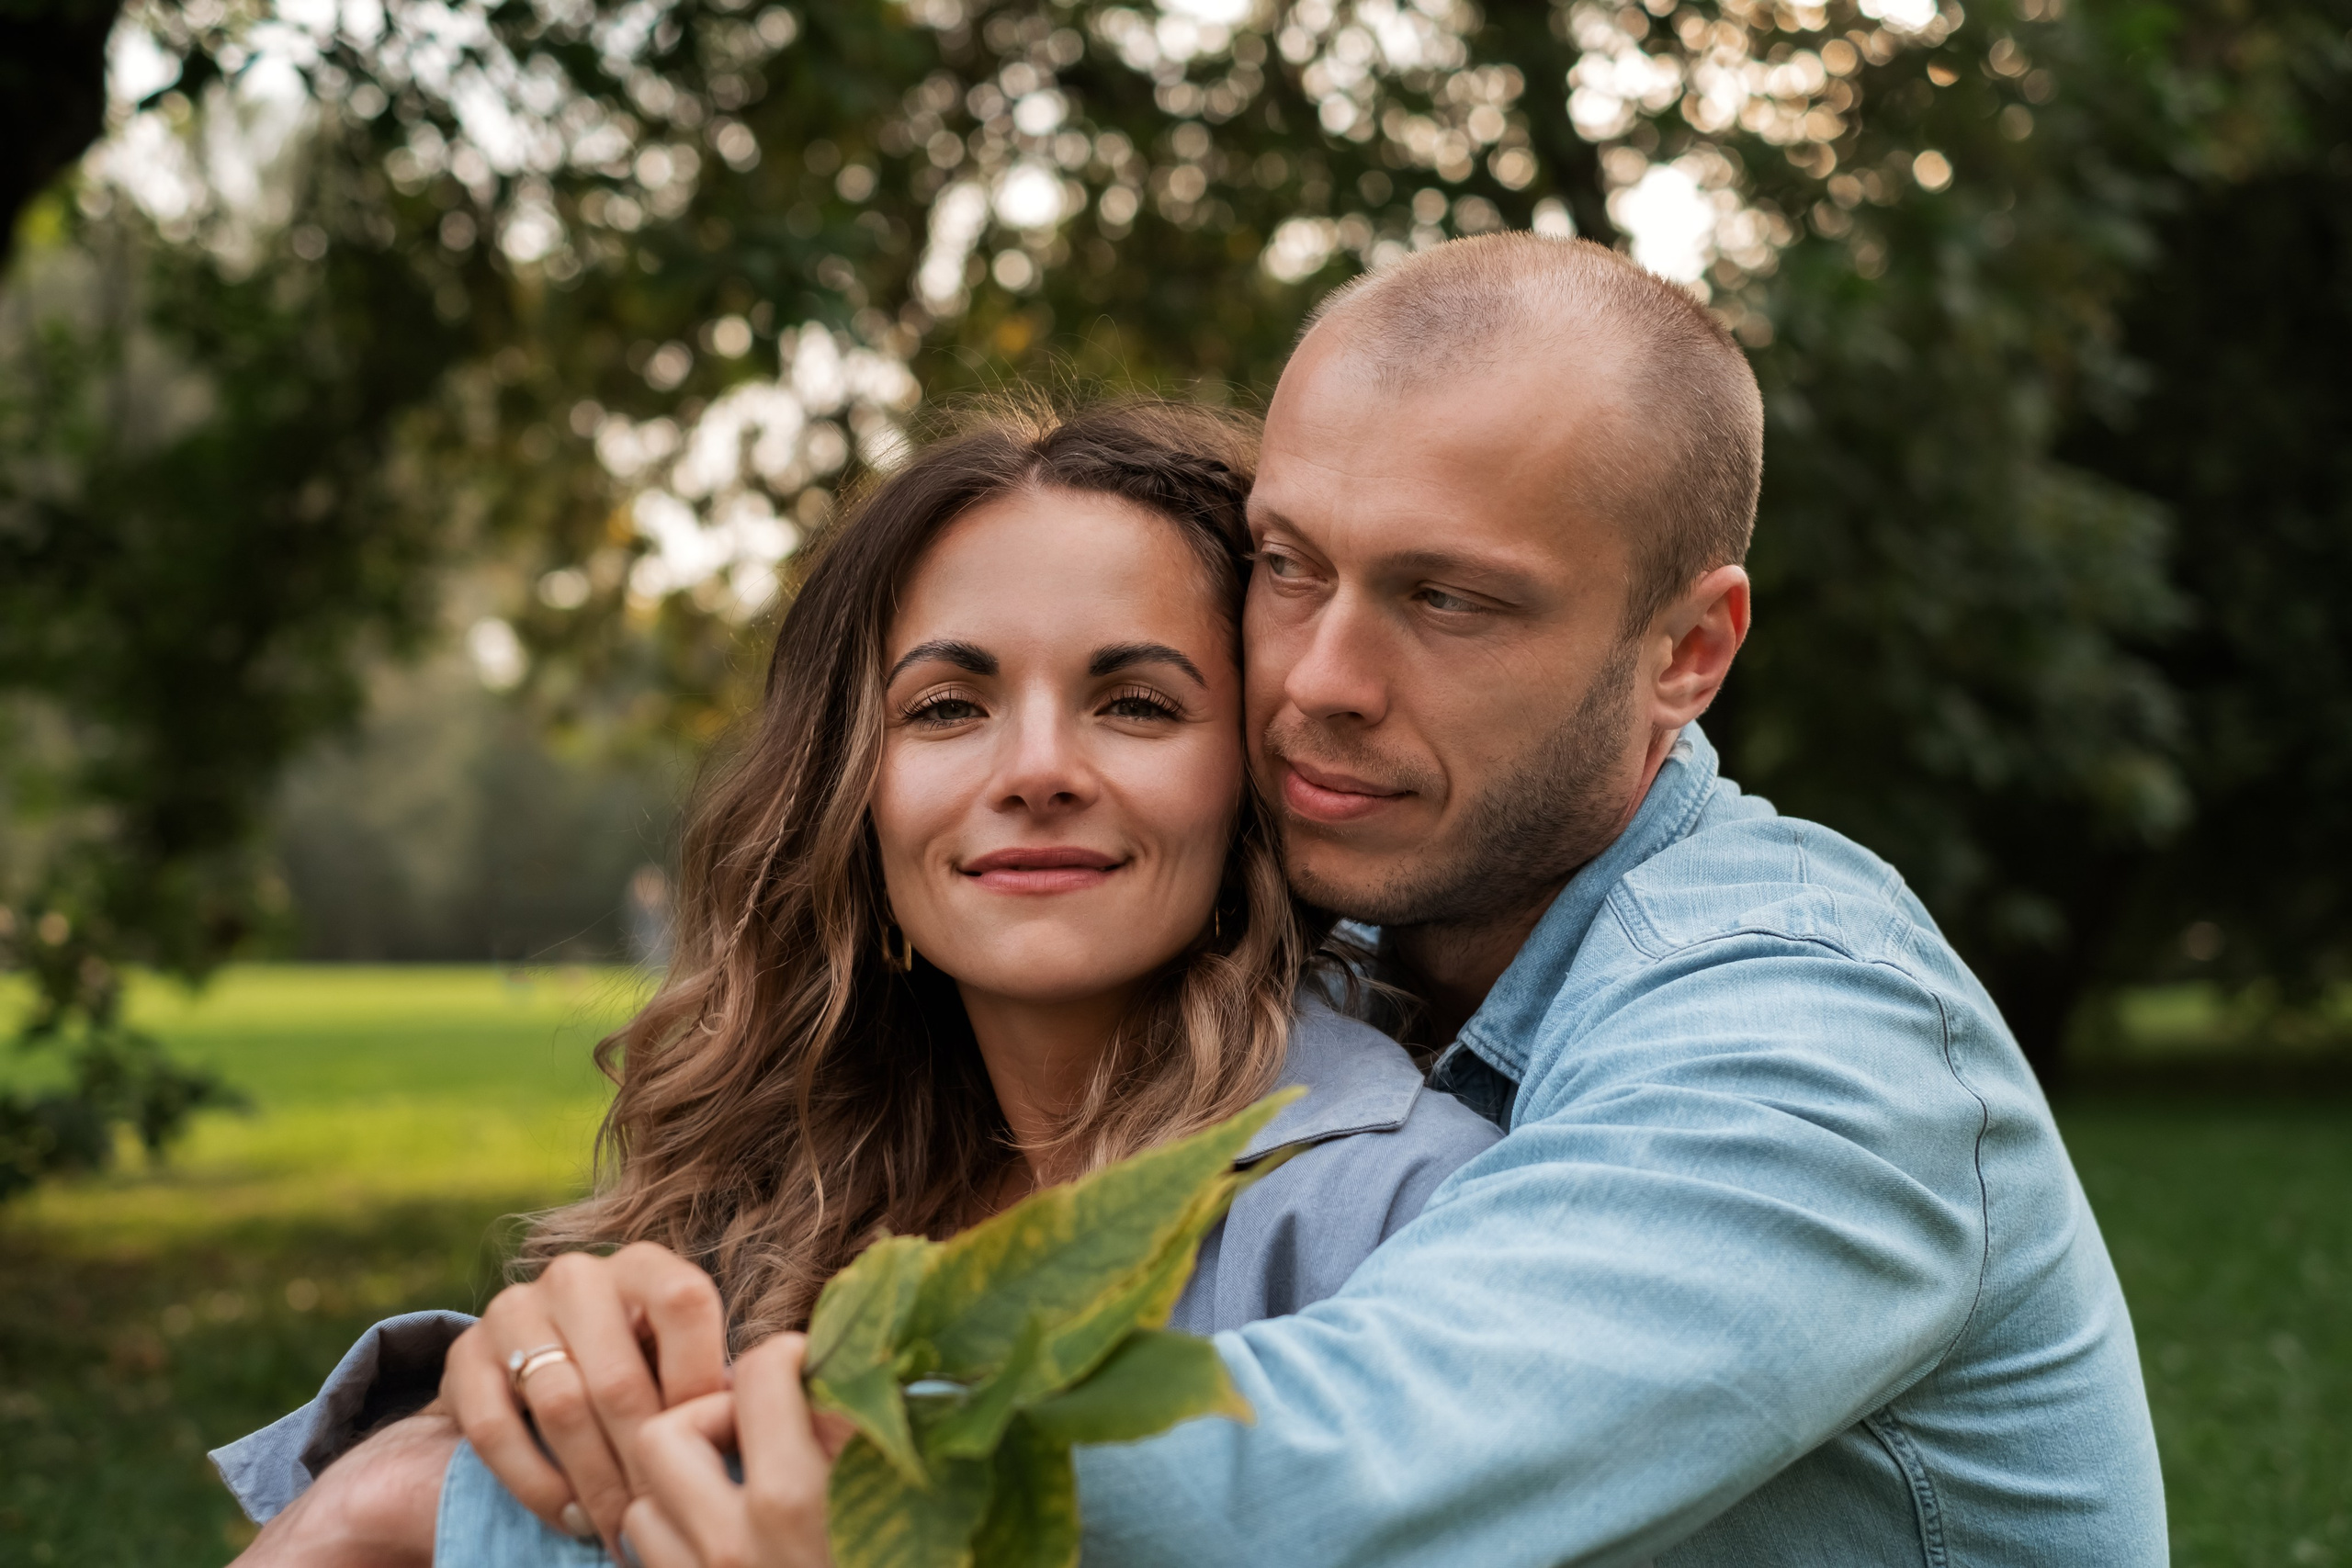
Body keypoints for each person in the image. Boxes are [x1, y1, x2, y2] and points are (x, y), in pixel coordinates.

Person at [223, 231, 2169, 1566]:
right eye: (1289, 564)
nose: (1317, 678)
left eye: (1448, 599)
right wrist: (552, 1369)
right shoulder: (1337, 934)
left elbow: (1329, 1474)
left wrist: (460, 1505)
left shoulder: (1804, 1033)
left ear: (1689, 652)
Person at [209, 399, 1498, 1563]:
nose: (1035, 770)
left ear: (1254, 779)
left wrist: (404, 1508)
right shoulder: (796, 1190)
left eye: (1138, 705)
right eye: (946, 707)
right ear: (851, 792)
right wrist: (516, 1406)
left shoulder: (1399, 1216)